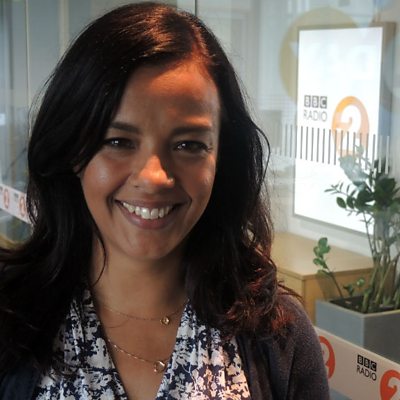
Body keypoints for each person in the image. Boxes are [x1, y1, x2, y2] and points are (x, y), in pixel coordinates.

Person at [0, 2, 329, 399]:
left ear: (221, 159)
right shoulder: (11, 317)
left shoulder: (278, 334)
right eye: (118, 141)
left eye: (189, 145)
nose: (154, 178)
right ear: (73, 151)